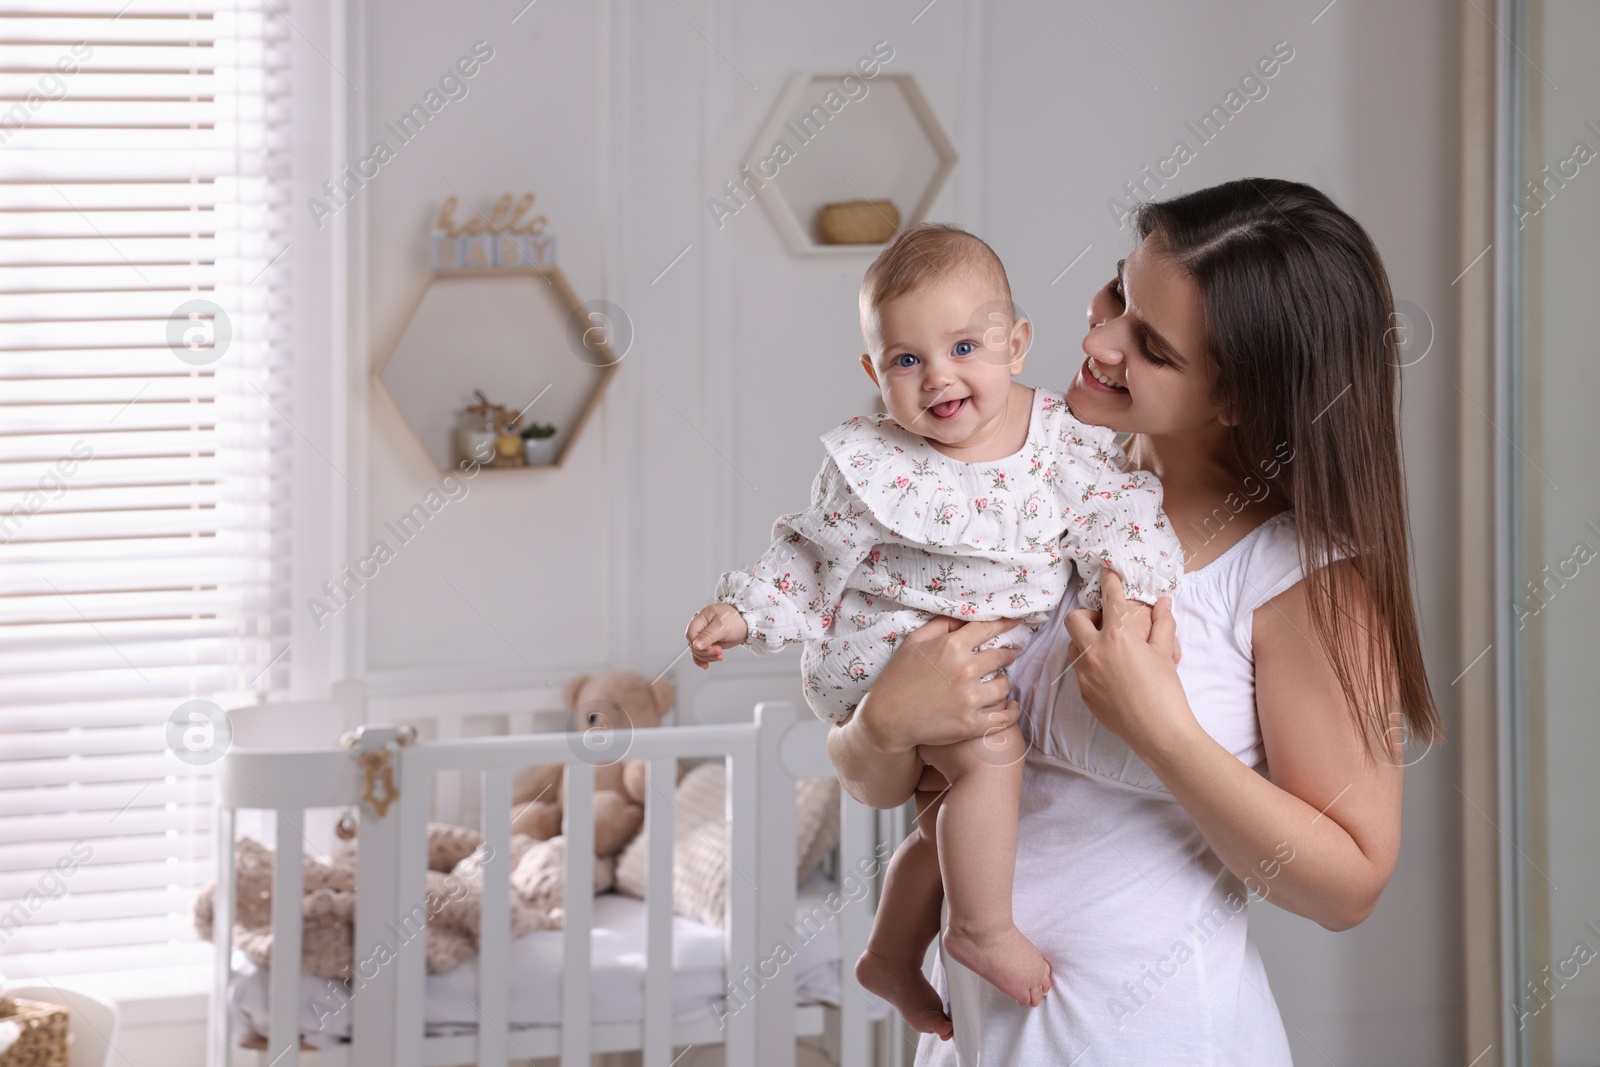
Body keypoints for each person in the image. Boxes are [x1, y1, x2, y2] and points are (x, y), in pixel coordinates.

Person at [827, 180, 1441, 1064]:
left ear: (1238, 398)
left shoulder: (1298, 576)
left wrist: (1162, 731)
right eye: (1118, 290)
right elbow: (884, 781)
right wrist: (878, 724)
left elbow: (1350, 887)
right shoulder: (1028, 482)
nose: (1098, 339)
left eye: (1149, 344)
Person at [684, 224, 1182, 1030]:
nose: (938, 376)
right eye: (906, 360)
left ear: (1016, 343)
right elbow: (811, 555)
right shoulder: (876, 460)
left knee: (949, 812)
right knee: (991, 755)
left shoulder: (1057, 443)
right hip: (886, 654)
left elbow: (1111, 514)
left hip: (965, 664)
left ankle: (888, 955)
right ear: (873, 372)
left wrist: (1129, 590)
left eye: (963, 346)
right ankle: (980, 929)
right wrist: (742, 613)